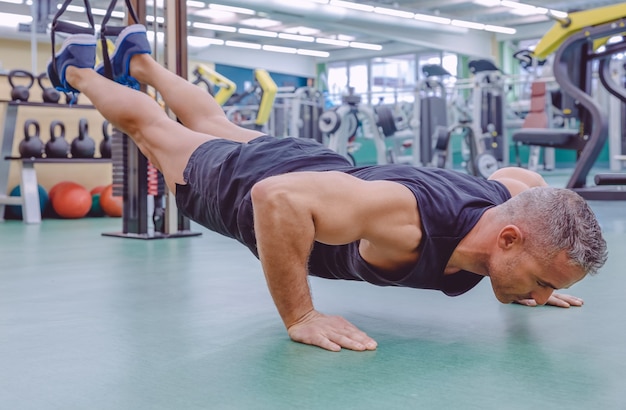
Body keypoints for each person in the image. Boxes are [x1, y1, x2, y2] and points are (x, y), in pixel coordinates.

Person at [48, 25, 608, 352]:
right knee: (155, 131)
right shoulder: (407, 220)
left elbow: (534, 186)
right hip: (251, 185)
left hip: (324, 167)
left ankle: (139, 56)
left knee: (216, 123)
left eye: (542, 287)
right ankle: (77, 69)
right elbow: (278, 200)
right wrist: (301, 316)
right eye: (538, 282)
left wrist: (535, 274)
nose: (538, 297)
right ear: (507, 237)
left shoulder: (506, 198)